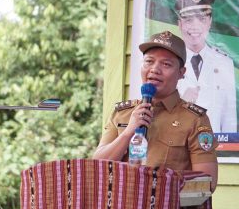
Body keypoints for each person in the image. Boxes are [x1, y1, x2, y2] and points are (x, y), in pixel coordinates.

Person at [94, 31, 219, 190]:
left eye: (166, 64)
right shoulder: (122, 113)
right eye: (149, 61)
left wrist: (154, 191)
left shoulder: (194, 119)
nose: (154, 70)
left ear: (181, 73)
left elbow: (207, 183)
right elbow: (97, 167)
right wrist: (127, 133)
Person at [175, 0, 237, 133]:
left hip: (215, 152)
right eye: (189, 20)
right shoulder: (169, 63)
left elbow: (229, 119)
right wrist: (180, 103)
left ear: (209, 22)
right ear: (180, 24)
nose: (195, 26)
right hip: (177, 150)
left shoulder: (224, 63)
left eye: (202, 19)